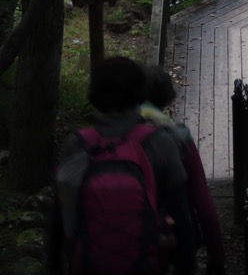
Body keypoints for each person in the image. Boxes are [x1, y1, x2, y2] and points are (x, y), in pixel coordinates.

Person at [47, 56, 196, 275]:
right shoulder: (160, 142)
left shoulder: (77, 144)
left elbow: (60, 217)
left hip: (90, 264)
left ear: (94, 93)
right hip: (146, 263)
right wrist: (187, 266)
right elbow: (182, 216)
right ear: (140, 91)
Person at [141, 65, 227, 275]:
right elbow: (203, 204)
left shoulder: (106, 139)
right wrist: (217, 259)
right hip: (171, 244)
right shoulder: (177, 138)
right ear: (166, 98)